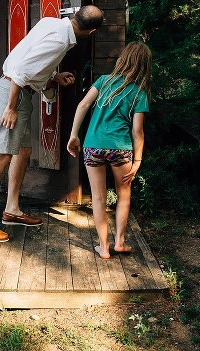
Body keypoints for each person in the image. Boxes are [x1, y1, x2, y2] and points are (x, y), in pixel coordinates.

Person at [0, 5, 105, 242]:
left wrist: (54, 76)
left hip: (19, 92)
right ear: (91, 32)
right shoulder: (61, 42)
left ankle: (11, 210)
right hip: (13, 93)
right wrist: (11, 107)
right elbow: (21, 69)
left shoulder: (51, 23)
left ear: (75, 15)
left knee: (23, 151)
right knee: (2, 155)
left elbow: (30, 56)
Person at [66, 42, 151, 258]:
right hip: (120, 150)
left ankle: (103, 247)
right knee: (123, 194)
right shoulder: (139, 92)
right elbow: (137, 131)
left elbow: (83, 105)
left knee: (98, 198)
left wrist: (74, 135)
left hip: (93, 145)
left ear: (123, 59)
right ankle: (120, 242)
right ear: (143, 66)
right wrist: (138, 160)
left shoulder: (104, 81)